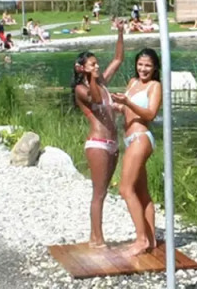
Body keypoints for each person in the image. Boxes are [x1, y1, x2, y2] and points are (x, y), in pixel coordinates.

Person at [71, 21, 125, 248]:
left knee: (104, 192)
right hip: (98, 143)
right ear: (81, 68)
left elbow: (118, 59)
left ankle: (95, 238)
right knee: (99, 192)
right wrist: (92, 77)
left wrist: (121, 33)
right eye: (92, 64)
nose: (97, 66)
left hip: (113, 143)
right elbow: (94, 99)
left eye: (96, 63)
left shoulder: (101, 82)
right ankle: (97, 239)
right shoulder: (81, 89)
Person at [111, 48, 162, 257]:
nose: (143, 69)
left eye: (148, 65)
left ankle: (140, 239)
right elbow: (126, 109)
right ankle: (150, 240)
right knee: (141, 192)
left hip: (142, 138)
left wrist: (128, 102)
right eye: (140, 64)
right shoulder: (132, 82)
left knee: (125, 189)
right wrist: (114, 105)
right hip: (130, 138)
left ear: (155, 67)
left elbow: (150, 114)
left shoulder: (154, 86)